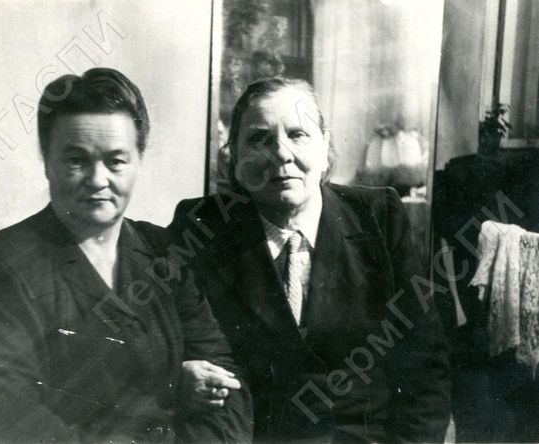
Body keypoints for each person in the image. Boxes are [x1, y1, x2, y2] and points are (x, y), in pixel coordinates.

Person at [0, 68, 252, 443]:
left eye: (115, 161)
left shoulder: (165, 252)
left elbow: (229, 389)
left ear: (139, 160)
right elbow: (4, 427)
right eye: (76, 160)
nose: (97, 180)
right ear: (47, 160)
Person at [169, 77, 452, 442]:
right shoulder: (202, 227)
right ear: (234, 156)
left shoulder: (379, 218)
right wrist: (176, 375)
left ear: (324, 145)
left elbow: (427, 371)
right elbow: (159, 340)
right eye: (259, 139)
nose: (281, 153)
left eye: (298, 134)